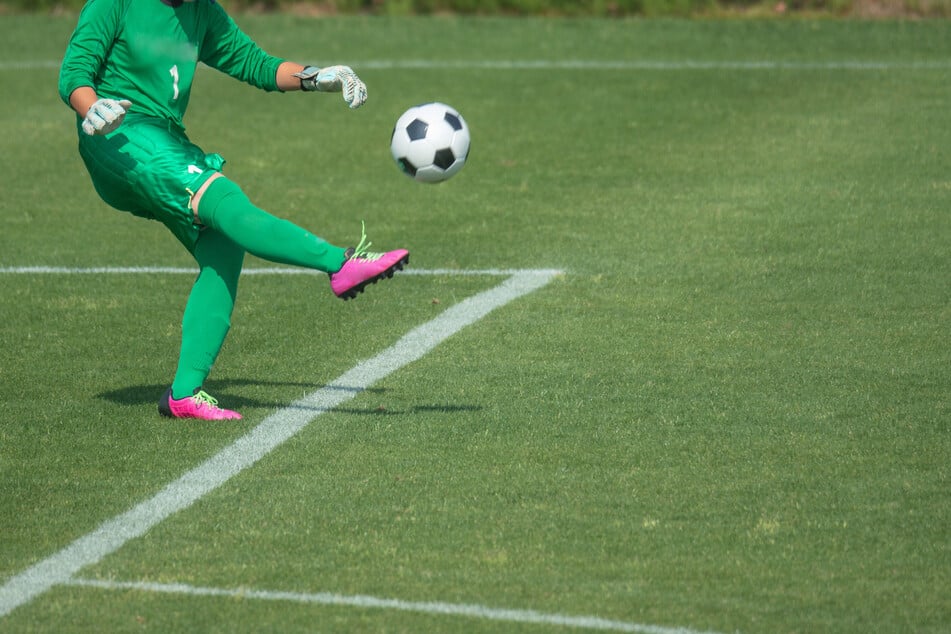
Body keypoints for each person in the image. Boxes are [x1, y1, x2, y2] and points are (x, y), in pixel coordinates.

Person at [58, 0, 409, 421]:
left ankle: (184, 393)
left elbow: (254, 63)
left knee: (222, 245)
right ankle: (340, 263)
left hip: (167, 139)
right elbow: (74, 73)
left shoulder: (202, 11)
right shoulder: (115, 3)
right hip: (119, 136)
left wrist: (317, 77)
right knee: (225, 200)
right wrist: (90, 105)